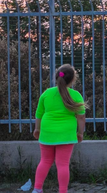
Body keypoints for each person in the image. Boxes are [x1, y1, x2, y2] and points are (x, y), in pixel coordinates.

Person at [32, 64, 86, 193]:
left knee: (45, 161)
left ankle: (37, 189)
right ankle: (62, 191)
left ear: (56, 77)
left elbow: (39, 114)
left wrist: (37, 129)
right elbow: (81, 118)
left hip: (47, 132)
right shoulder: (76, 95)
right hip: (66, 134)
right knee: (62, 164)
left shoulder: (47, 93)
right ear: (72, 79)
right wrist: (80, 133)